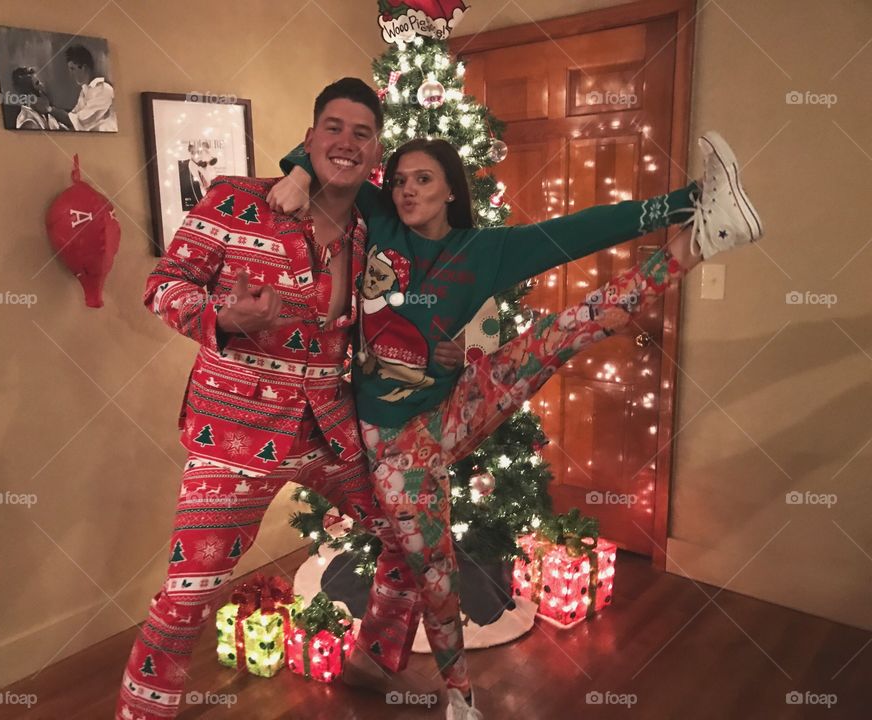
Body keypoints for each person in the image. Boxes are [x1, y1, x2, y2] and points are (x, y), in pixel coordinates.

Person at [269, 127, 763, 718]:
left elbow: (582, 229)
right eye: (399, 180)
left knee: (568, 329)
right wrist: (298, 172)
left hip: (453, 409)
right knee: (434, 570)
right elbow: (338, 162)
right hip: (399, 448)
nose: (405, 190)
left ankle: (702, 235)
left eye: (423, 179)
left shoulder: (483, 252)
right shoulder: (380, 221)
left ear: (451, 188)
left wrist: (680, 200)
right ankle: (461, 700)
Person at [115, 78, 454, 720]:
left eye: (362, 132)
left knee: (413, 540)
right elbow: (163, 284)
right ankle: (141, 712)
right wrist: (226, 319)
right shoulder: (238, 202)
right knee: (190, 593)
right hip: (234, 432)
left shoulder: (374, 227)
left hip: (330, 428)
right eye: (333, 126)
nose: (346, 141)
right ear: (309, 136)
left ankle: (372, 663)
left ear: (376, 152)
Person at [36, 44, 118, 132]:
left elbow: (76, 120)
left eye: (72, 69)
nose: (71, 74)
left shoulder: (104, 90)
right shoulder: (85, 91)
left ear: (84, 68)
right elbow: (73, 115)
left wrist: (48, 109)